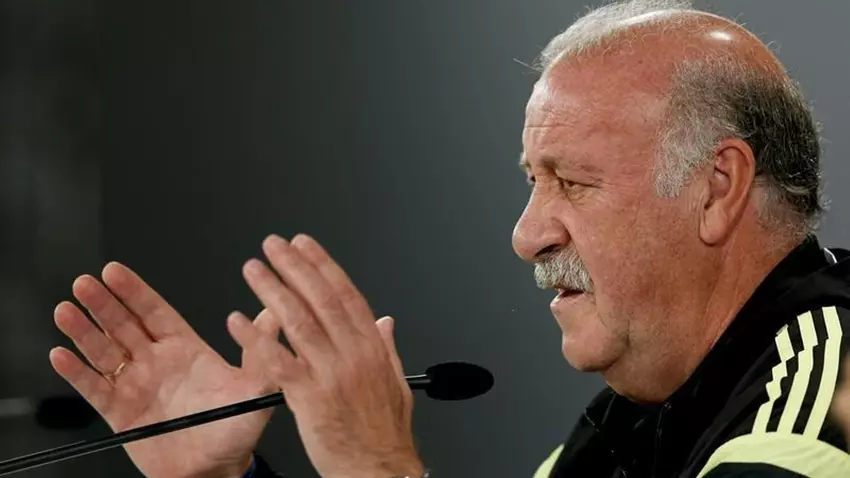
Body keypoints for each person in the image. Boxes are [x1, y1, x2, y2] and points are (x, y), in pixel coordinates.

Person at [47, 0, 850, 477]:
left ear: (717, 188)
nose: (527, 235)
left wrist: (377, 468)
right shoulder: (632, 421)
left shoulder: (816, 417)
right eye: (532, 180)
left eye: (573, 182)